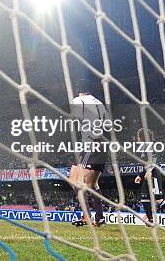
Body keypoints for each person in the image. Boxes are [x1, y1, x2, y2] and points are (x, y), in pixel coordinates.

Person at [69, 85, 108, 227]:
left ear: (79, 92)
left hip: (90, 143)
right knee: (92, 184)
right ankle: (100, 218)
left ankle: (87, 216)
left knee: (75, 179)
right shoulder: (100, 103)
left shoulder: (78, 100)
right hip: (103, 144)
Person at [134, 128, 165, 230]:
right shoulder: (143, 148)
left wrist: (149, 171)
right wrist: (140, 175)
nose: (137, 138)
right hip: (148, 174)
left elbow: (154, 160)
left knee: (159, 199)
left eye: (138, 136)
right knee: (144, 197)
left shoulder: (151, 145)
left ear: (142, 137)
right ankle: (151, 221)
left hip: (154, 174)